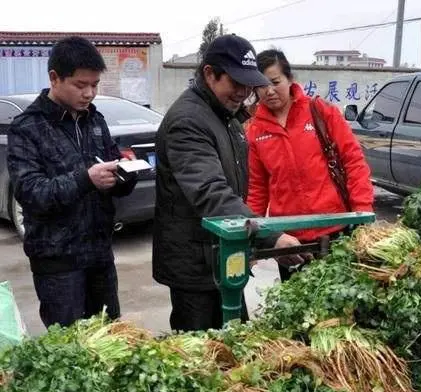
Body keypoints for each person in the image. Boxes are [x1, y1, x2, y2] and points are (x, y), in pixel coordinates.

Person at [153, 34, 302, 332]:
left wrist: (245, 242)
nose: (243, 92)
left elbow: (240, 187)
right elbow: (212, 193)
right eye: (236, 83)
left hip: (220, 257)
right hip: (194, 265)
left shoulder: (226, 117)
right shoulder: (188, 121)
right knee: (199, 357)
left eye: (248, 85)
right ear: (210, 73)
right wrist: (268, 236)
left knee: (233, 347)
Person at [7, 36, 136, 328]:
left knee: (110, 339)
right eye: (80, 85)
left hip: (100, 256)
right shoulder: (27, 129)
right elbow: (31, 192)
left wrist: (124, 174)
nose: (89, 93)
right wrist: (85, 179)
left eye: (95, 85)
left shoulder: (94, 121)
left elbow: (110, 166)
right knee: (70, 351)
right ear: (54, 78)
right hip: (58, 264)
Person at [246, 49, 374, 282]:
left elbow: (354, 161)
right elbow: (257, 188)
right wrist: (255, 238)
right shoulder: (256, 130)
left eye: (275, 82)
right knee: (299, 310)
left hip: (335, 233)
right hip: (289, 242)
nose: (269, 91)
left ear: (290, 79)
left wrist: (362, 214)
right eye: (262, 86)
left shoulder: (321, 112)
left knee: (340, 308)